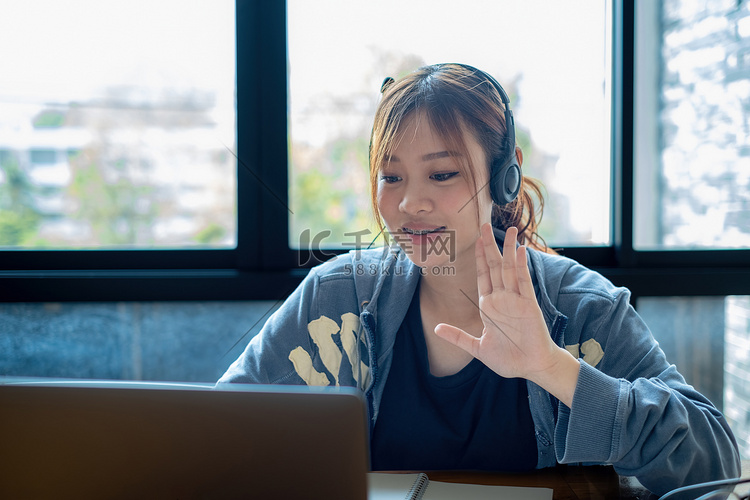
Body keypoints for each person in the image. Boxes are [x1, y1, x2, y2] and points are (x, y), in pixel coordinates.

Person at [218, 63, 741, 495]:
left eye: (441, 174)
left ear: (505, 175)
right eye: (391, 176)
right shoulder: (338, 299)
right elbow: (214, 432)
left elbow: (713, 463)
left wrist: (553, 367)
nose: (409, 204)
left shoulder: (581, 309)